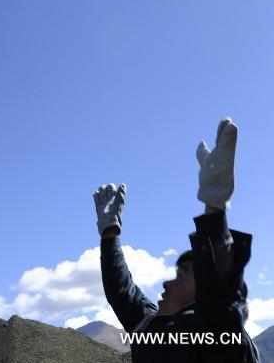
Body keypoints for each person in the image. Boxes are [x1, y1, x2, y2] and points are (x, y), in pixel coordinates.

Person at [93, 117, 261, 362]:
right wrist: (110, 233)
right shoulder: (153, 327)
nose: (166, 284)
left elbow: (219, 296)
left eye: (182, 276)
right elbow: (122, 292)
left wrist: (214, 207)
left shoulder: (223, 340)